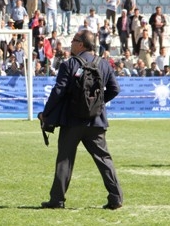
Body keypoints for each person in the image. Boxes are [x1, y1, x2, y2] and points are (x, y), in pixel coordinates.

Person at [40, 29, 122, 210]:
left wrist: (46, 113)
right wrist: (98, 104)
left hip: (72, 121)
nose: (71, 43)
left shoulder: (69, 64)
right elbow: (115, 89)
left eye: (74, 40)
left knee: (65, 160)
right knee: (104, 159)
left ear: (82, 44)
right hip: (97, 121)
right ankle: (116, 198)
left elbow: (58, 91)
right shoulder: (104, 64)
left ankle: (57, 200)